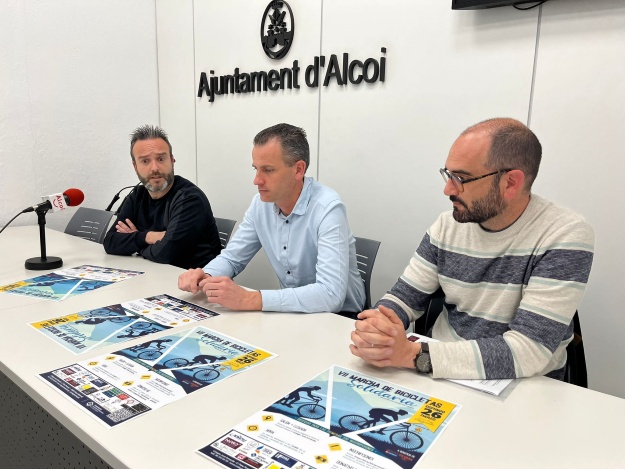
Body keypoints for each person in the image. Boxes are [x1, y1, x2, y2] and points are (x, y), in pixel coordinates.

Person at [350, 118, 594, 381]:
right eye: (448, 174)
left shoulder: (564, 234)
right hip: (442, 371)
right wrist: (379, 325)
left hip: (524, 385)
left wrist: (413, 355)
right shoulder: (447, 226)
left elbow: (529, 350)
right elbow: (404, 296)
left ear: (511, 183)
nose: (448, 189)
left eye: (461, 178)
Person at [178, 123, 365, 313]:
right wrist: (206, 275)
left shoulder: (328, 208)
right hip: (293, 313)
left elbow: (330, 295)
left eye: (268, 170)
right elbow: (233, 258)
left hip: (342, 318)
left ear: (298, 170)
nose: (257, 180)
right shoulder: (261, 204)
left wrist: (251, 299)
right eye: (255, 169)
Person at [103, 125, 222, 269]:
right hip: (155, 276)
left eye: (161, 159)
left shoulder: (189, 198)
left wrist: (136, 243)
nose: (154, 168)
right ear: (135, 166)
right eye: (145, 161)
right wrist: (148, 237)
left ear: (172, 161)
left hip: (199, 285)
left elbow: (165, 253)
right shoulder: (137, 195)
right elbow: (110, 242)